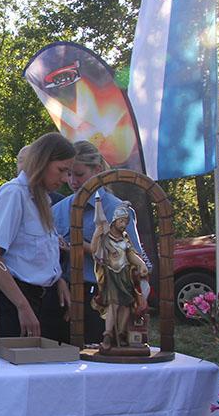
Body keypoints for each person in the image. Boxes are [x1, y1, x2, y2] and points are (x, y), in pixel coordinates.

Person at [52, 140, 151, 343]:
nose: (73, 181)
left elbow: (132, 263)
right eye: (68, 174)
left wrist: (82, 247)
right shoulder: (58, 210)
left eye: (79, 174)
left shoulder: (117, 211)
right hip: (62, 296)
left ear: (97, 170)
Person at [0, 132, 75, 338]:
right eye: (61, 170)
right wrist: (22, 306)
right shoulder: (13, 194)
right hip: (13, 303)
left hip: (41, 301)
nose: (65, 179)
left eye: (68, 172)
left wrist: (58, 279)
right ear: (42, 161)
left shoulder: (44, 200)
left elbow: (37, 254)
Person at [91, 200, 150, 350]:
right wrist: (97, 235)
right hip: (112, 275)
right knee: (113, 304)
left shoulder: (124, 237)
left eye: (126, 222)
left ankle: (122, 333)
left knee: (126, 304)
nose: (123, 224)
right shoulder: (106, 237)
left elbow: (130, 254)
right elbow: (95, 250)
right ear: (115, 220)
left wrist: (141, 264)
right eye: (121, 221)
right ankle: (108, 334)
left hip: (125, 276)